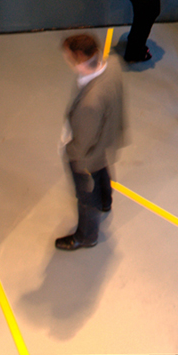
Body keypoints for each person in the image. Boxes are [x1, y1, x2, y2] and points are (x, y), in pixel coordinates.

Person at [56, 34, 125, 250]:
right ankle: (106, 201)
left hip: (87, 154)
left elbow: (83, 143)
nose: (67, 61)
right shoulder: (113, 65)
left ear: (79, 59)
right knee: (102, 172)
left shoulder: (89, 103)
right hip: (106, 139)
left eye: (69, 57)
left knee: (86, 196)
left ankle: (87, 236)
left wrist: (71, 153)